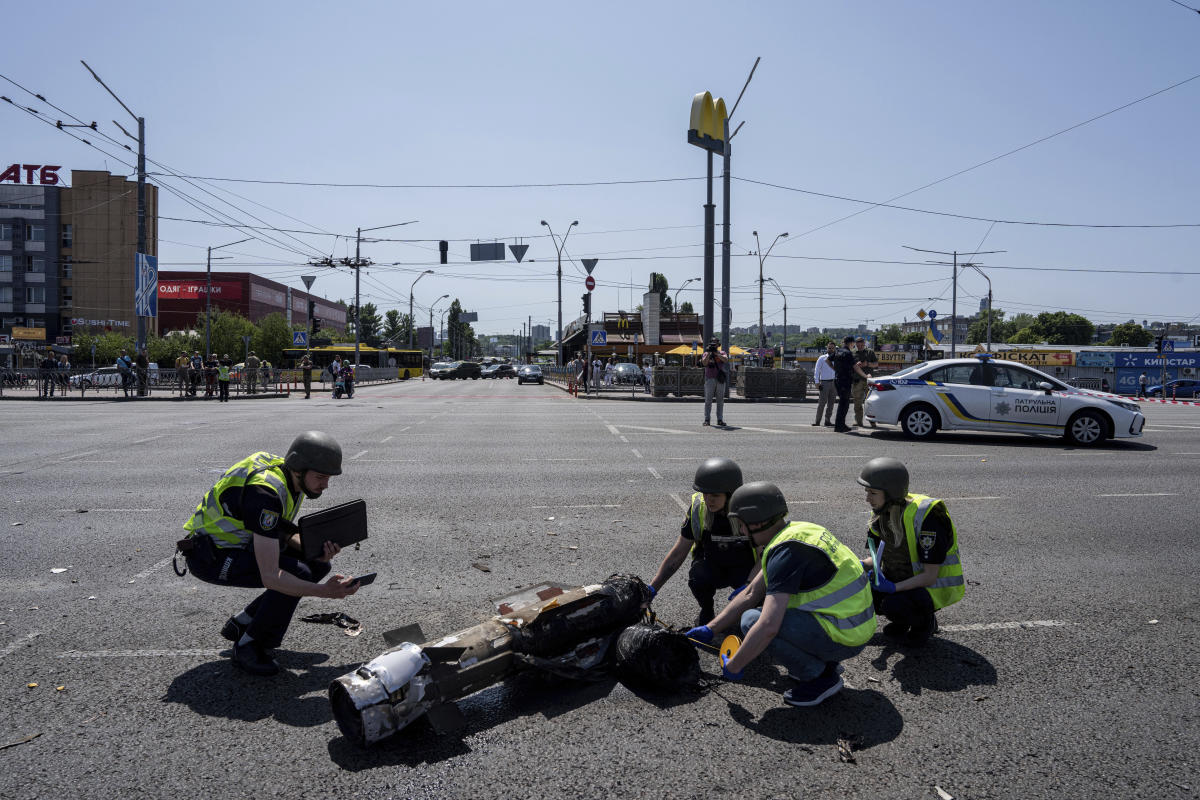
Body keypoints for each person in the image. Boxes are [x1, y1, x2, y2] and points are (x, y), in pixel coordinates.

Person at [178, 431, 360, 675]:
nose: (325, 485)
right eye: (320, 477)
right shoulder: (266, 492)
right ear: (299, 468)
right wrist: (325, 592)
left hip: (236, 546)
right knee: (298, 572)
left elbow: (278, 530)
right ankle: (249, 645)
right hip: (211, 558)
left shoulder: (285, 474)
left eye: (328, 478)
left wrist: (316, 551)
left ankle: (243, 623)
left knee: (318, 565)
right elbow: (271, 577)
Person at [687, 482, 875, 707]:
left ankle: (820, 677)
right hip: (853, 624)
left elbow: (768, 626)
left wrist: (734, 665)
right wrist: (711, 629)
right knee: (758, 614)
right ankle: (824, 661)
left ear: (756, 522)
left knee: (752, 621)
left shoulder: (785, 553)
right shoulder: (795, 533)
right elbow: (750, 593)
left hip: (846, 634)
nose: (742, 532)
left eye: (742, 525)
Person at [857, 457, 964, 646]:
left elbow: (930, 577)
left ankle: (925, 622)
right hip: (901, 579)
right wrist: (853, 567)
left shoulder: (927, 517)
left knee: (893, 605)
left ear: (890, 493)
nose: (867, 498)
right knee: (860, 592)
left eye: (872, 493)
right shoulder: (881, 513)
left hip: (930, 588)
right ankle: (902, 621)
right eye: (867, 492)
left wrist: (893, 588)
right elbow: (875, 557)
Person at [647, 458, 756, 626]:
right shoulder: (699, 508)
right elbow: (678, 553)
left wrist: (751, 586)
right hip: (712, 566)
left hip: (744, 571)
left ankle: (744, 608)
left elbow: (766, 554)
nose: (708, 499)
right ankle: (707, 609)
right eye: (705, 493)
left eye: (715, 495)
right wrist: (652, 589)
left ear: (731, 494)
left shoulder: (749, 511)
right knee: (698, 577)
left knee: (753, 611)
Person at [701, 337, 728, 427]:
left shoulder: (722, 352)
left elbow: (725, 359)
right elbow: (704, 363)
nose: (714, 344)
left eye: (715, 343)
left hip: (719, 379)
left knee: (720, 401)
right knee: (708, 400)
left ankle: (720, 419)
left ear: (718, 345)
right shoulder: (706, 353)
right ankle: (707, 419)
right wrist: (709, 353)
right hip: (710, 379)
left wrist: (716, 354)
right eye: (712, 343)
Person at [851, 336, 878, 428]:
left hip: (868, 381)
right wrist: (856, 365)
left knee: (870, 402)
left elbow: (876, 364)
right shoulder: (852, 353)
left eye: (861, 344)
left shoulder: (870, 352)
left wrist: (868, 364)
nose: (860, 346)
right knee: (857, 402)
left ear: (864, 344)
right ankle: (858, 421)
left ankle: (872, 421)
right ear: (856, 344)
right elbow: (850, 366)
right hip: (857, 381)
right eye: (858, 345)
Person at [832, 336, 856, 432]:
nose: (853, 345)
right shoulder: (848, 353)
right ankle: (839, 426)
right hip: (845, 381)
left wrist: (836, 370)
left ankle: (840, 425)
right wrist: (866, 376)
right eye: (853, 343)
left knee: (843, 403)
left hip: (838, 380)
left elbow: (828, 360)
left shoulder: (838, 351)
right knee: (844, 404)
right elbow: (855, 367)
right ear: (850, 343)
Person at [811, 341, 837, 426]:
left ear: (835, 349)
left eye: (832, 348)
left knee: (831, 404)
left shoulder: (837, 358)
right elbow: (817, 371)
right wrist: (817, 382)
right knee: (822, 403)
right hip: (824, 383)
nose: (831, 349)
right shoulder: (822, 358)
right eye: (829, 348)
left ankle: (827, 421)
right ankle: (817, 421)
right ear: (827, 348)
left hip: (834, 383)